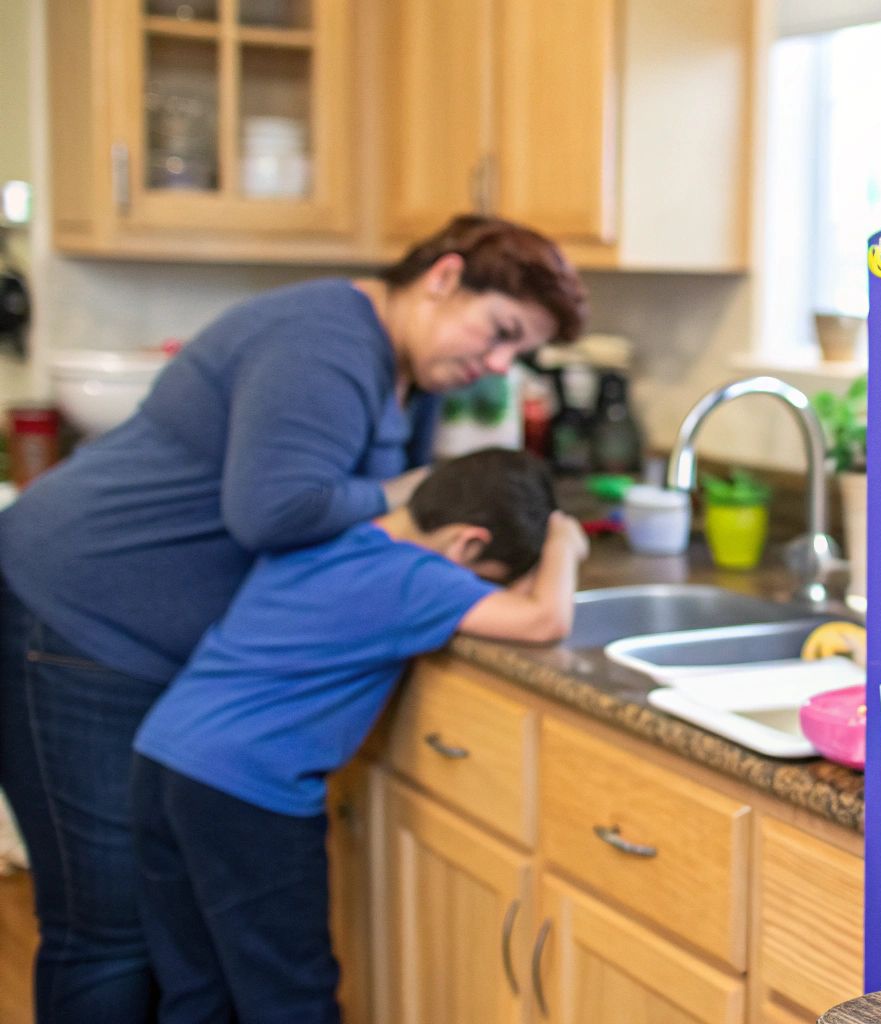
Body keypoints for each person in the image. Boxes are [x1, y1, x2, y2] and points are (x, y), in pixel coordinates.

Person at [0, 215, 586, 1021]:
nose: (497, 364)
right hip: (76, 612)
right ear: (445, 276)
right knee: (109, 929)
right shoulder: (324, 341)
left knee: (177, 952)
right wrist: (423, 487)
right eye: (501, 333)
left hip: (176, 664)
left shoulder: (409, 376)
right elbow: (277, 511)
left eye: (518, 354)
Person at [130, 448, 584, 1023]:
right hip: (247, 793)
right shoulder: (417, 578)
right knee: (290, 993)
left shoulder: (335, 538)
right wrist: (564, 544)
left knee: (196, 982)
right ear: (467, 544)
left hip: (163, 757)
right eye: (482, 580)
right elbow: (545, 620)